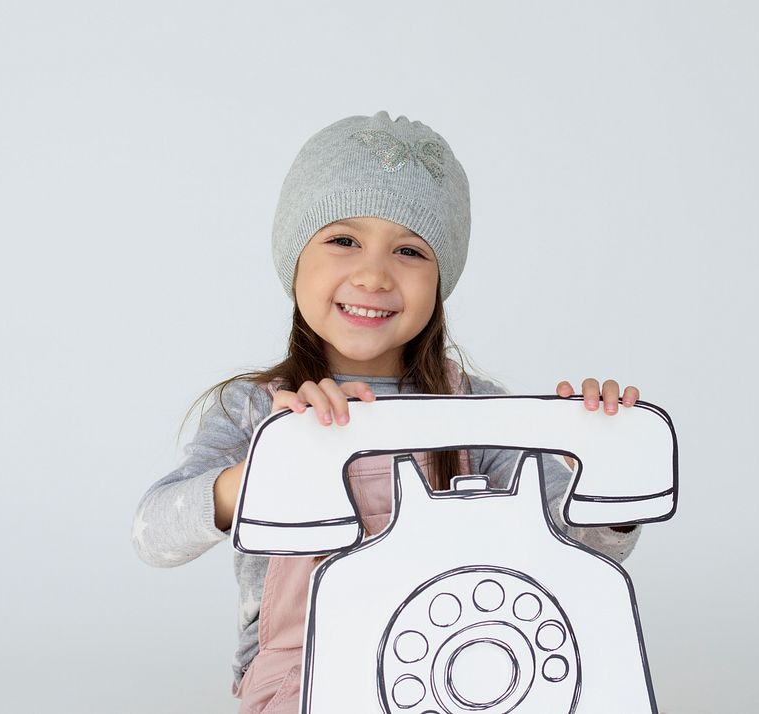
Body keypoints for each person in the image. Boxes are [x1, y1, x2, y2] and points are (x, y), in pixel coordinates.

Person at [131, 110, 643, 713]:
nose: (374, 275)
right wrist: (269, 468)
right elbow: (154, 536)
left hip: (467, 661)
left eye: (409, 250)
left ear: (440, 281)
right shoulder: (252, 409)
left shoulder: (477, 410)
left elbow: (585, 552)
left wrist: (606, 472)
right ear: (294, 260)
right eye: (343, 240)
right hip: (302, 674)